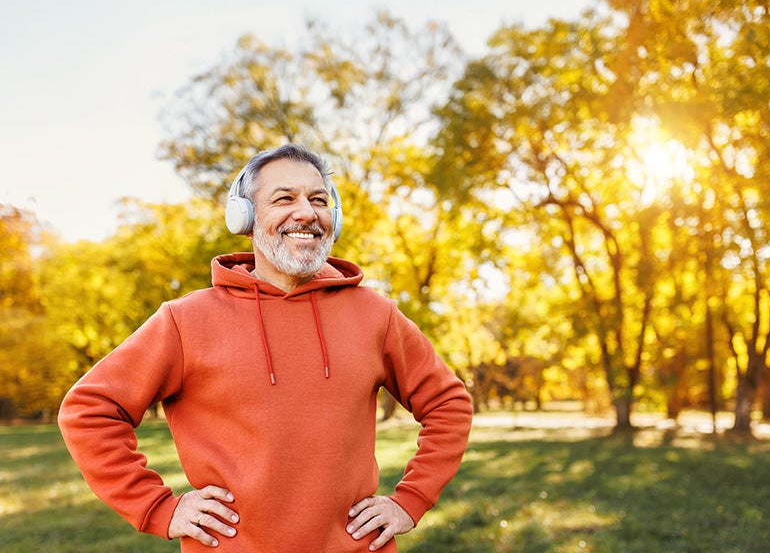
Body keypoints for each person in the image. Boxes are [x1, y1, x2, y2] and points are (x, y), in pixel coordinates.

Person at [58, 143, 473, 552]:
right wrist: (157, 507)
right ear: (246, 216)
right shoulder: (184, 320)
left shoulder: (376, 314)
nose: (307, 213)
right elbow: (88, 411)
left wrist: (410, 500)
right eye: (284, 198)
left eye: (318, 200)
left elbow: (448, 404)